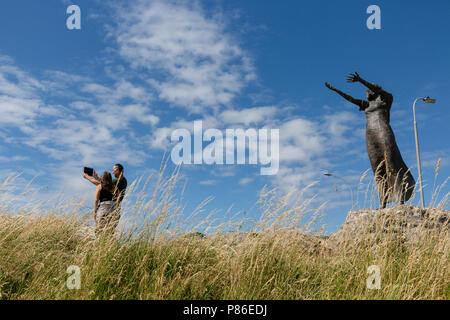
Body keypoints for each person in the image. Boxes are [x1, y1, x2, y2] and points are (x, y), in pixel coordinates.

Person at [83, 164, 127, 233]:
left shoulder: (118, 181)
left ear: (117, 170)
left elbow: (102, 185)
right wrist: (96, 177)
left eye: (113, 170)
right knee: (110, 232)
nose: (112, 172)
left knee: (99, 231)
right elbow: (105, 184)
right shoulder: (121, 183)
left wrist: (87, 177)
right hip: (114, 209)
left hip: (104, 209)